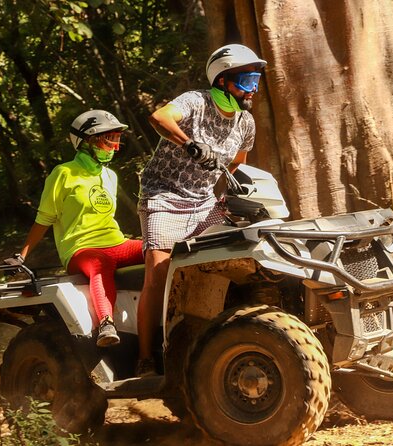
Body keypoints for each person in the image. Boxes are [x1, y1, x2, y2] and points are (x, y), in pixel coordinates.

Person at [136, 44, 267, 375]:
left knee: (231, 264)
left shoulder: (245, 122)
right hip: (163, 197)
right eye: (246, 81)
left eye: (256, 81)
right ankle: (147, 358)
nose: (252, 89)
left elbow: (238, 161)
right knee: (159, 272)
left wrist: (223, 195)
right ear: (223, 81)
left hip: (205, 201)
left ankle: (205, 346)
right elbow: (159, 116)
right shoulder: (195, 102)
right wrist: (190, 145)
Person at [7, 110, 144, 347]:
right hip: (80, 247)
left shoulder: (110, 176)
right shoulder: (63, 173)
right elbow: (44, 219)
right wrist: (22, 256)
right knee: (100, 263)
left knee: (157, 248)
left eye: (116, 139)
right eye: (108, 139)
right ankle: (106, 324)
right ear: (87, 141)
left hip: (115, 242)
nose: (113, 146)